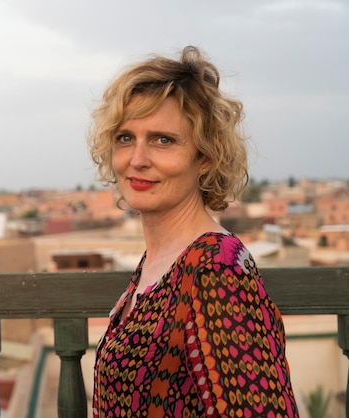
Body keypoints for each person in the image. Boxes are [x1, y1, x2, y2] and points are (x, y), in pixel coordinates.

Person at [88, 46, 298, 417]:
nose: (137, 160)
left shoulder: (215, 269)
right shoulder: (159, 263)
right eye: (125, 138)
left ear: (205, 158)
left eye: (162, 140)